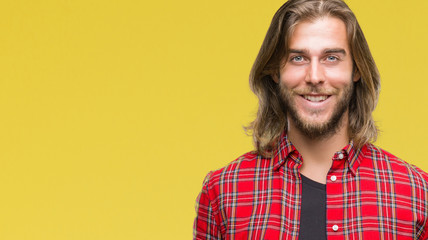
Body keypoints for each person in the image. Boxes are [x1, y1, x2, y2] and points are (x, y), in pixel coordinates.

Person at [193, 0, 428, 239]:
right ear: (275, 71)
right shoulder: (223, 192)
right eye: (298, 58)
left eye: (331, 58)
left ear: (356, 70)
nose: (314, 77)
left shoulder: (418, 195)